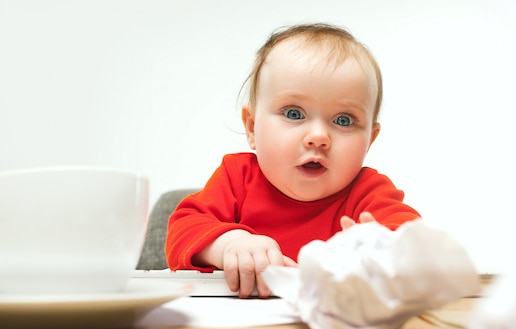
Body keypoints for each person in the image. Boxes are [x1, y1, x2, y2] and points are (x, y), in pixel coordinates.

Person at [166, 23, 420, 298]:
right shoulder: (237, 177)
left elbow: (416, 243)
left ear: (369, 141)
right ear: (252, 129)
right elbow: (181, 233)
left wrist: (382, 249)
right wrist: (229, 244)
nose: (319, 137)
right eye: (294, 114)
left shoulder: (369, 192)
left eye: (343, 120)